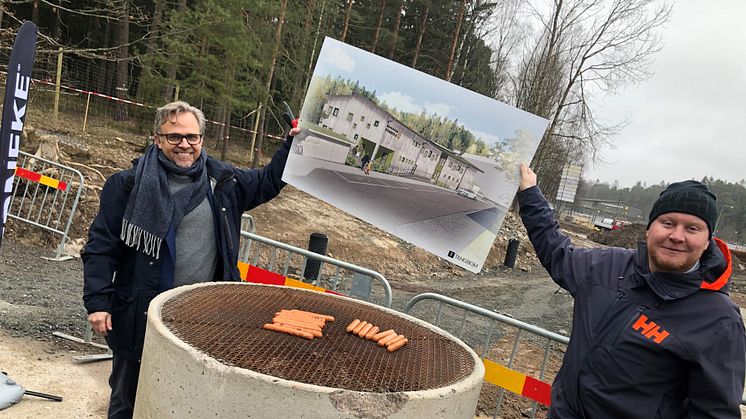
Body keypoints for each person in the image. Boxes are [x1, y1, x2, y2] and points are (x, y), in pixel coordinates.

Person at [82, 101, 300, 419]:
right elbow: (101, 247)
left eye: (192, 137)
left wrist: (293, 144)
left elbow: (268, 181)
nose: (184, 144)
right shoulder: (128, 186)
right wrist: (98, 302)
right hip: (143, 314)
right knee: (129, 400)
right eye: (174, 137)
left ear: (201, 139)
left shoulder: (224, 183)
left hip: (205, 317)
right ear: (157, 139)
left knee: (191, 399)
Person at [517, 163, 745, 418]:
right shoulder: (608, 266)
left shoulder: (718, 320)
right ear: (649, 229)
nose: (677, 236)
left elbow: (714, 414)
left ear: (707, 242)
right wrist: (530, 194)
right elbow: (557, 252)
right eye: (668, 222)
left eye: (692, 228)